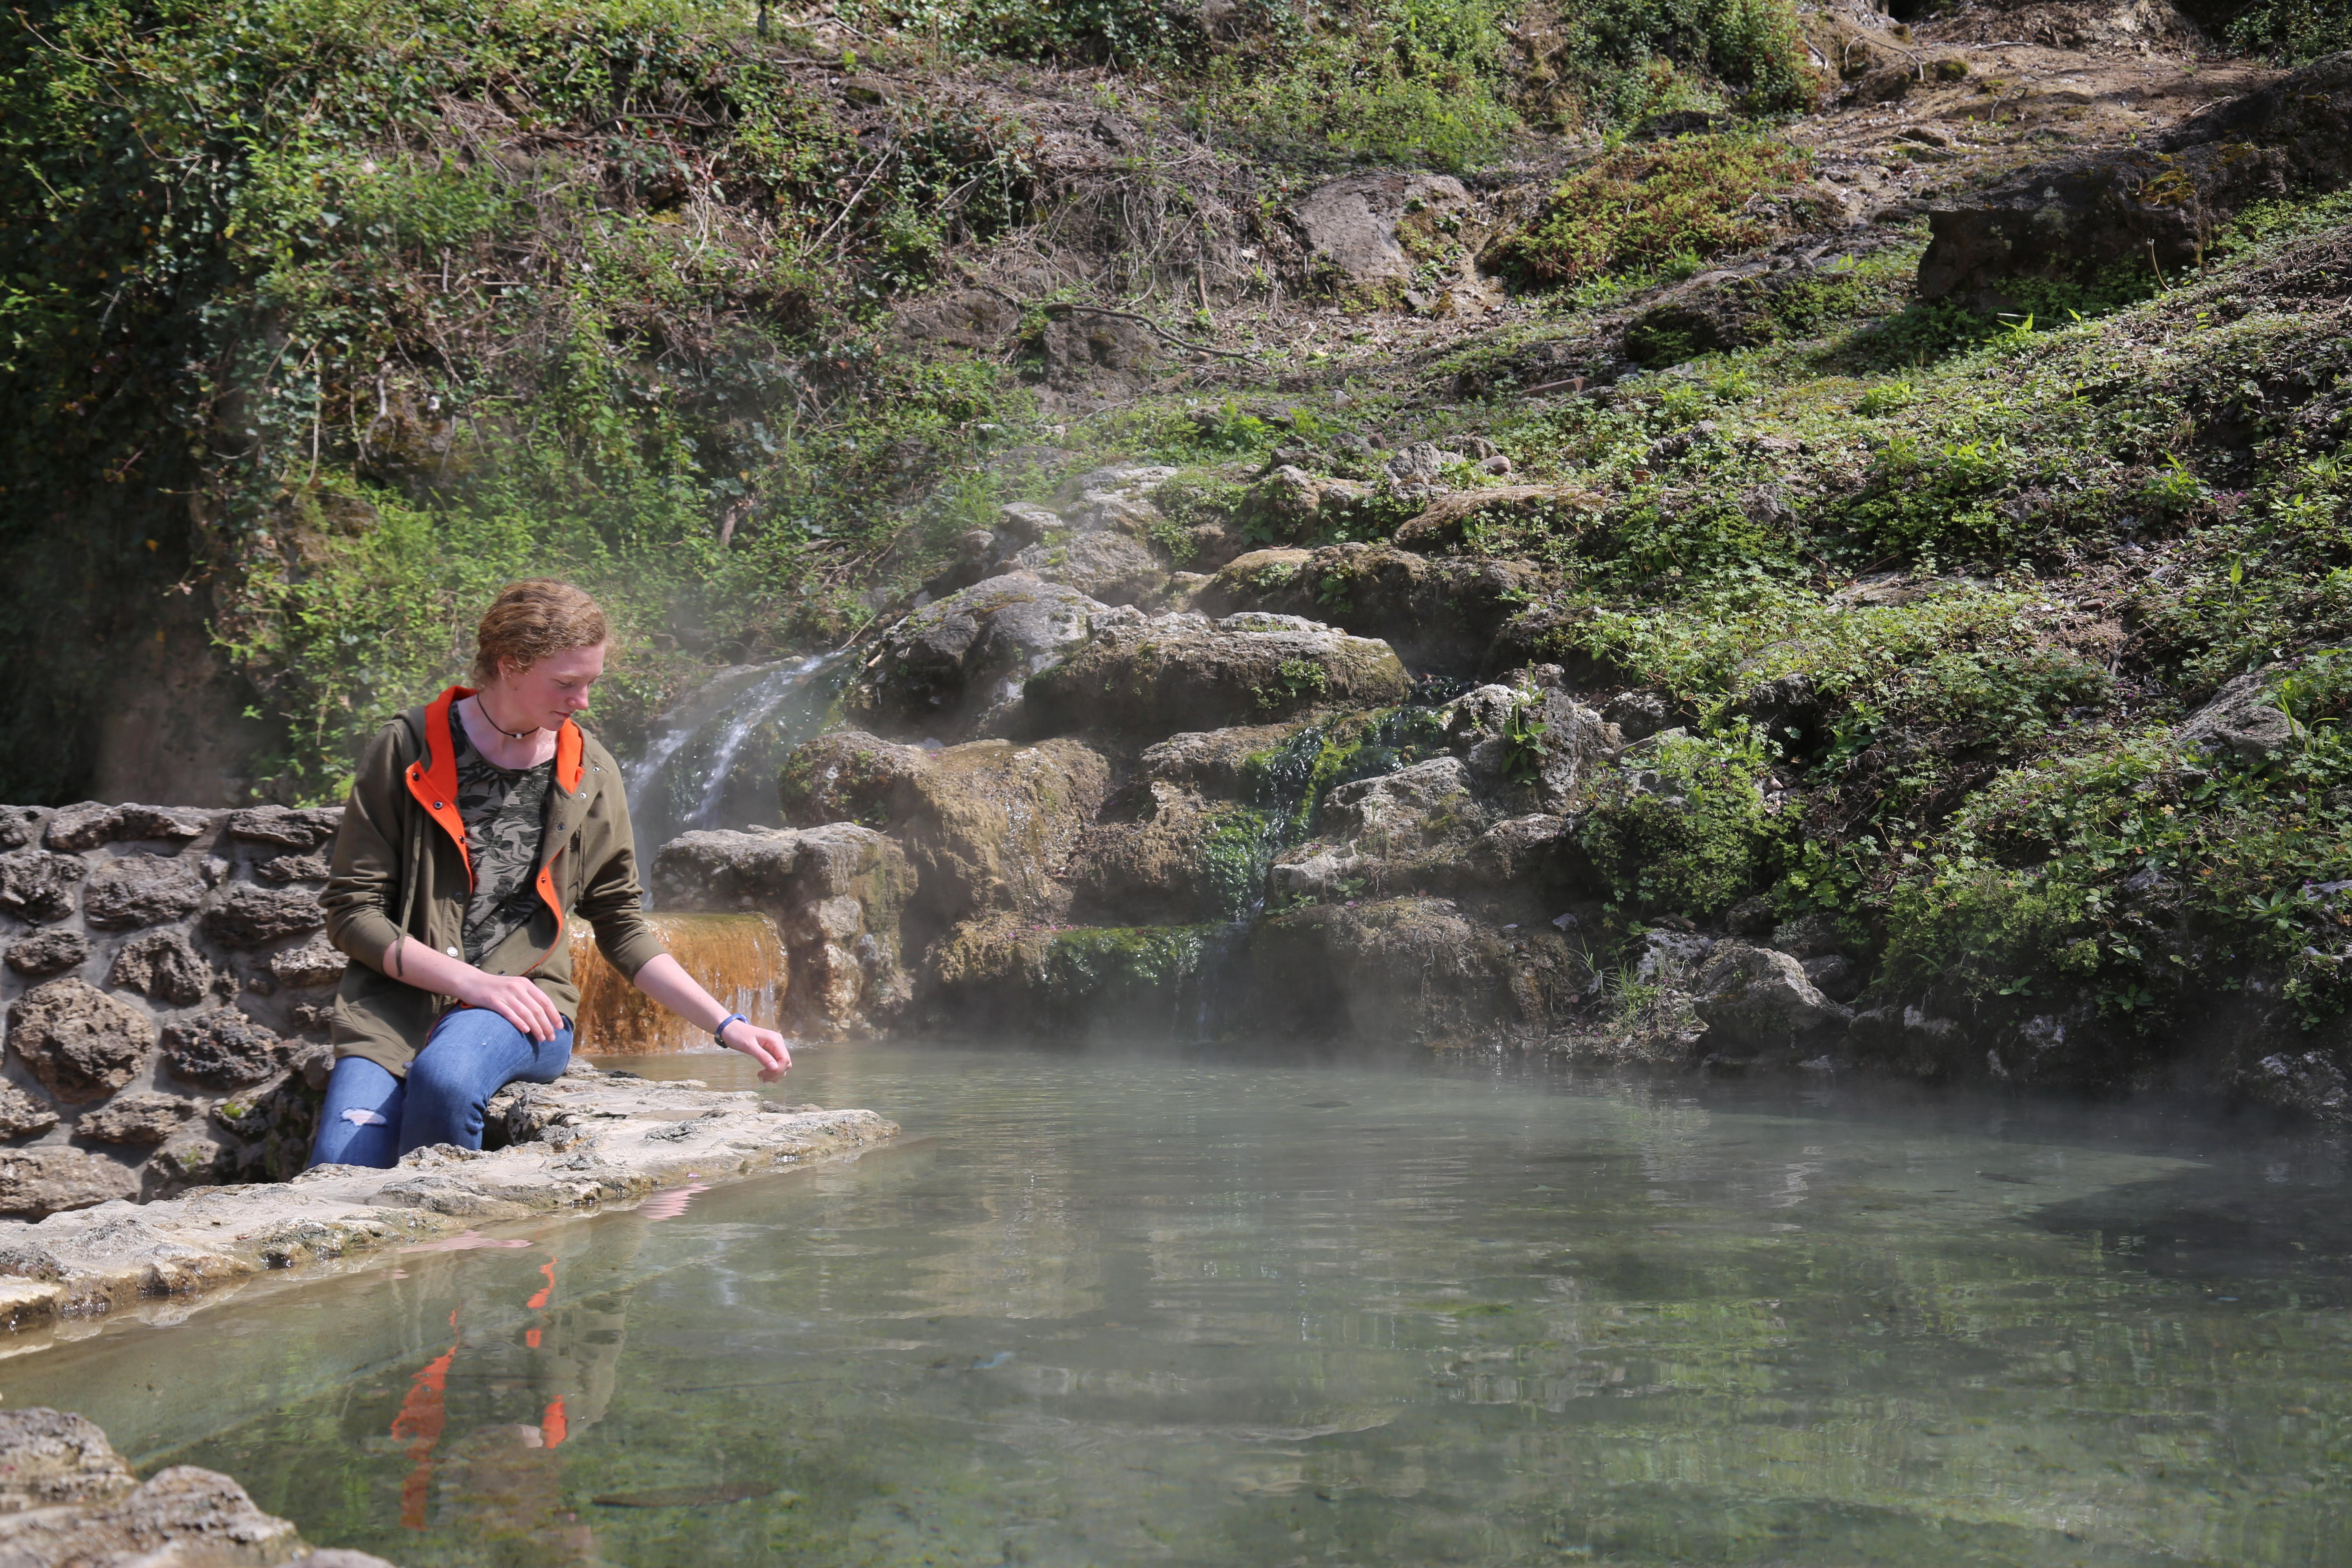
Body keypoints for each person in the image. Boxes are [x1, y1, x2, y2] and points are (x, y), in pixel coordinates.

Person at [307, 579, 791, 1169]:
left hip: (528, 1009)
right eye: (567, 683)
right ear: (509, 665)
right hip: (393, 1011)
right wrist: (472, 982)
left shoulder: (591, 770)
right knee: (339, 1167)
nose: (583, 701)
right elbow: (353, 914)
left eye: (591, 682)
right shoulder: (406, 748)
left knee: (447, 1078)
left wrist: (728, 1026)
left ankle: (459, 1252)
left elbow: (621, 925)